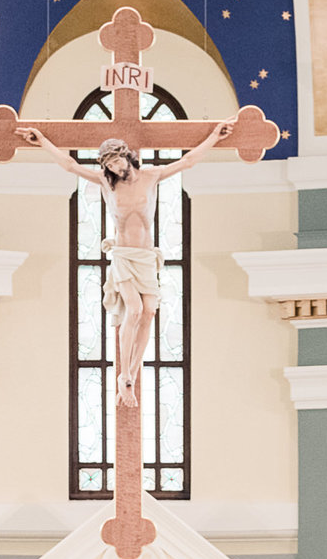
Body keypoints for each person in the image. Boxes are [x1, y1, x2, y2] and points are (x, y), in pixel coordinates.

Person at [15, 120, 235, 402]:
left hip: (144, 257)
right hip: (122, 255)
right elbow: (71, 166)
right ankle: (124, 376)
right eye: (109, 165)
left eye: (117, 161)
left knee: (150, 312)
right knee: (133, 310)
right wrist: (42, 141)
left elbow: (188, 161)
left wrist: (215, 136)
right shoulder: (107, 184)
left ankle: (130, 372)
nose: (115, 168)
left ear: (126, 155)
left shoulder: (152, 176)